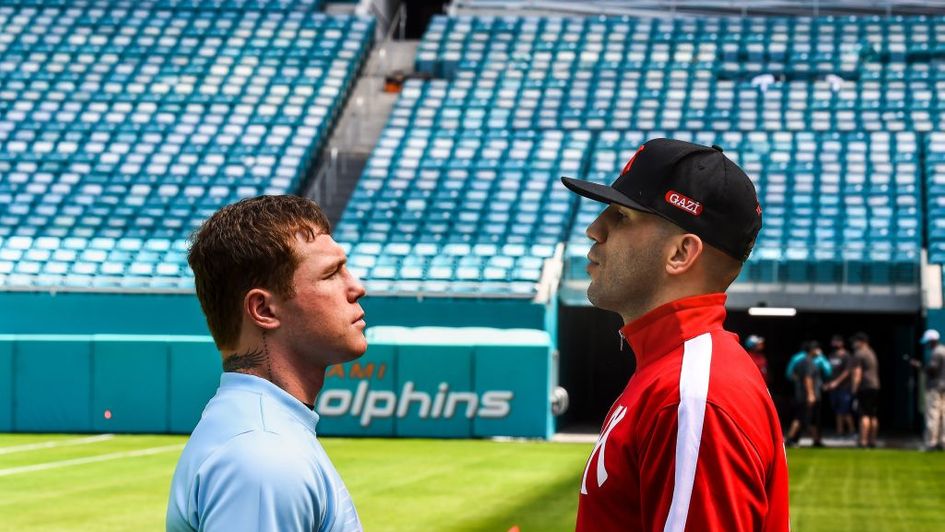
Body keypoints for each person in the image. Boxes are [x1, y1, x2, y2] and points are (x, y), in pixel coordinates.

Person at [561, 138, 789, 531]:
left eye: (621, 215)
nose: (594, 228)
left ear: (681, 254)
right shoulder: (676, 374)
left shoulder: (693, 394)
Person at [166, 195, 367, 531]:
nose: (357, 287)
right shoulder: (263, 456)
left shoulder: (263, 434)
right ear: (264, 310)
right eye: (331, 274)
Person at [785, 341, 826, 447]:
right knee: (800, 417)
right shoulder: (809, 362)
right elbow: (808, 378)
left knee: (813, 419)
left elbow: (793, 375)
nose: (818, 351)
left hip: (801, 394)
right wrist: (810, 394)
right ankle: (789, 439)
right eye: (816, 349)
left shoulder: (801, 362)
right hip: (807, 395)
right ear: (812, 350)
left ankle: (816, 440)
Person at [850, 331, 881, 448]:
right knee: (873, 415)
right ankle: (872, 441)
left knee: (864, 414)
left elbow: (857, 373)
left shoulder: (859, 354)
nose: (853, 344)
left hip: (865, 387)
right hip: (875, 386)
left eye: (855, 342)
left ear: (861, 342)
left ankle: (863, 441)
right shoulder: (871, 352)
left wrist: (854, 389)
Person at [823, 334, 855, 437]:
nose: (834, 343)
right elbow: (828, 371)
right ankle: (839, 432)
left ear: (841, 343)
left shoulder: (846, 355)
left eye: (836, 341)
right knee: (837, 411)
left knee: (845, 410)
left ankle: (852, 431)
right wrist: (828, 383)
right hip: (833, 388)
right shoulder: (832, 355)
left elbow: (847, 371)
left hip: (844, 387)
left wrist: (837, 382)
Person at [919, 329, 945, 450]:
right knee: (943, 415)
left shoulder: (937, 353)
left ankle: (931, 442)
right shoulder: (943, 350)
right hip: (943, 387)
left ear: (932, 341)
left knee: (933, 415)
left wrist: (921, 367)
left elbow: (932, 369)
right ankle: (942, 441)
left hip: (935, 387)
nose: (927, 345)